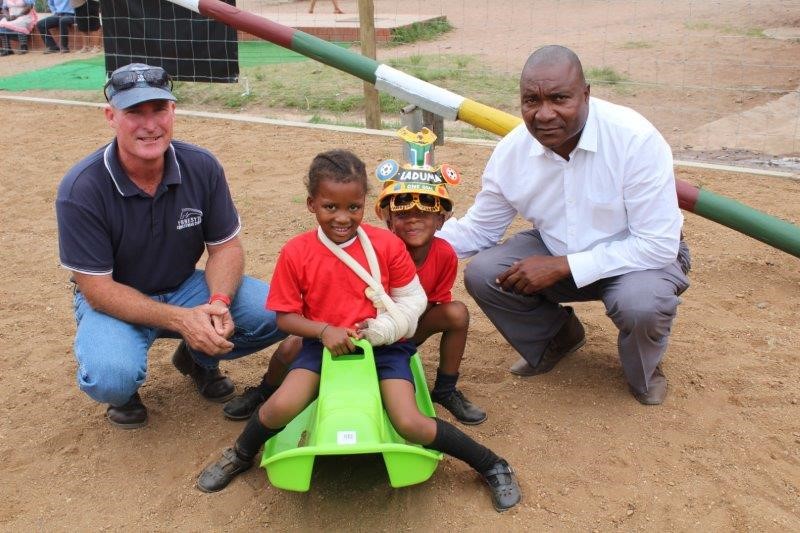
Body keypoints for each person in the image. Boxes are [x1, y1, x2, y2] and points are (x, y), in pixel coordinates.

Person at [196, 149, 521, 512]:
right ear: (311, 204)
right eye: (330, 207)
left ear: (365, 204)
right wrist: (322, 331)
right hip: (322, 348)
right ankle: (239, 453)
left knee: (411, 422)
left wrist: (382, 329)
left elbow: (412, 300)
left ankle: (492, 464)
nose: (342, 217)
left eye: (353, 207)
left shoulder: (386, 245)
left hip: (384, 348)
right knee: (279, 407)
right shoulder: (296, 252)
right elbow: (285, 319)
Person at [437, 45, 691, 406]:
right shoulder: (512, 153)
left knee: (641, 303)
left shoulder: (634, 139)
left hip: (641, 259)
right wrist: (402, 250)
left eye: (559, 98)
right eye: (531, 100)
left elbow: (657, 245)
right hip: (559, 250)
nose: (544, 114)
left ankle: (645, 373)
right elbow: (479, 231)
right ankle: (558, 337)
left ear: (585, 94)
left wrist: (562, 266)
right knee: (485, 273)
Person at [55, 63, 287, 429]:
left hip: (183, 286)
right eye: (134, 112)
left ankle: (197, 359)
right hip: (116, 297)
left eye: (159, 109)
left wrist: (217, 303)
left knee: (278, 313)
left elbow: (226, 248)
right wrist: (183, 320)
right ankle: (126, 389)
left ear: (173, 111)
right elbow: (97, 290)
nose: (150, 125)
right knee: (110, 376)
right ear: (110, 116)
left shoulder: (202, 166)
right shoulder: (81, 188)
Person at [222, 129, 488, 426]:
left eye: (425, 212)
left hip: (398, 328)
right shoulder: (377, 248)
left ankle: (447, 389)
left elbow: (431, 303)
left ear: (441, 218)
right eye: (403, 212)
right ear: (386, 217)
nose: (413, 219)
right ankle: (264, 390)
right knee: (290, 346)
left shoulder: (444, 256)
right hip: (348, 326)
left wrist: (391, 329)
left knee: (456, 313)